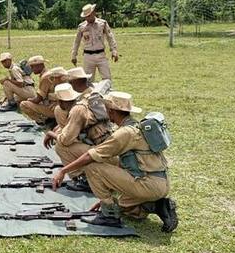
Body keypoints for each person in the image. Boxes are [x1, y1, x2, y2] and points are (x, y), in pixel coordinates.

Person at [51, 92, 178, 232]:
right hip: (159, 183)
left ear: (111, 111)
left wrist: (63, 171)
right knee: (124, 207)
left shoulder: (124, 133)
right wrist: (104, 200)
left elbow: (90, 156)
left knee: (92, 167)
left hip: (147, 183)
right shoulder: (135, 126)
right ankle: (157, 205)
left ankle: (109, 216)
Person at [44, 69, 115, 192]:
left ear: (60, 101)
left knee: (61, 146)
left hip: (107, 154)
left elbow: (65, 140)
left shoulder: (77, 110)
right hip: (110, 150)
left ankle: (84, 179)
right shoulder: (88, 99)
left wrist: (51, 133)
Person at [70, 4, 118, 82]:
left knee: (107, 79)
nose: (87, 18)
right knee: (88, 81)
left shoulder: (102, 23)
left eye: (89, 16)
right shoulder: (81, 27)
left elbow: (110, 37)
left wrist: (114, 51)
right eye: (85, 16)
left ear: (93, 13)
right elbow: (76, 42)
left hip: (101, 55)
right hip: (88, 57)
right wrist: (73, 55)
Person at [19, 56, 67, 126]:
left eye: (32, 67)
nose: (31, 70)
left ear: (39, 66)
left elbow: (38, 99)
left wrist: (29, 100)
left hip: (56, 108)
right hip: (60, 105)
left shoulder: (46, 77)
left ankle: (42, 121)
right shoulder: (49, 74)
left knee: (24, 104)